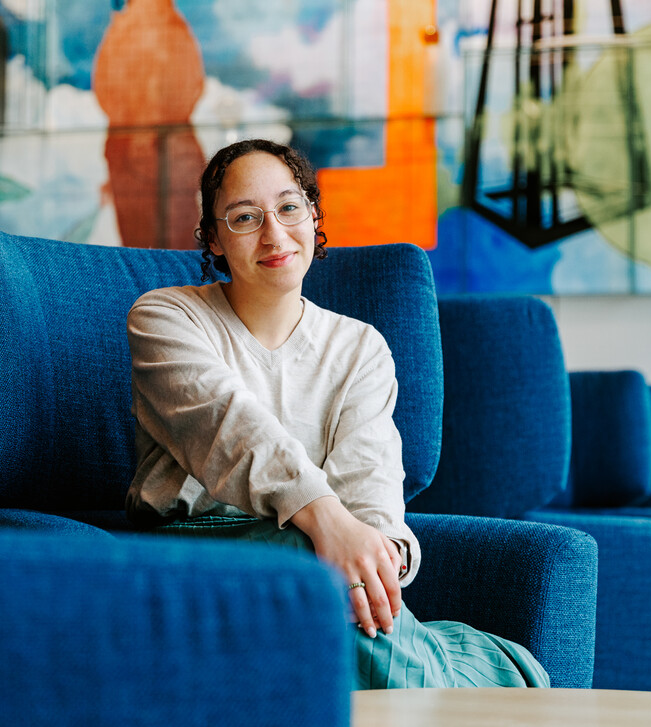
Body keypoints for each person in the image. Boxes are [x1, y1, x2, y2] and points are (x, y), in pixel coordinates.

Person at [124, 138, 549, 689]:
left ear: (314, 215)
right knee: (323, 568)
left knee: (339, 574)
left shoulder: (360, 348)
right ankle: (473, 668)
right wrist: (330, 526)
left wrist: (376, 552)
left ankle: (443, 666)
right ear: (212, 237)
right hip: (190, 548)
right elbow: (231, 431)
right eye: (245, 217)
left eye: (289, 207)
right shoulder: (165, 316)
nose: (274, 234)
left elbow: (371, 480)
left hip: (319, 553)